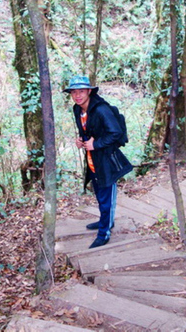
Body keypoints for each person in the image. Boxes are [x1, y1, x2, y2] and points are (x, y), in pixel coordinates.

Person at [64, 75, 133, 249]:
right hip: (93, 159)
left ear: (89, 91)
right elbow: (88, 130)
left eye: (81, 91)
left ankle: (104, 232)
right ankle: (105, 221)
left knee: (106, 196)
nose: (77, 95)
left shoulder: (101, 109)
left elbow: (115, 133)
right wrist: (82, 141)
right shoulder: (77, 109)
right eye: (74, 92)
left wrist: (96, 144)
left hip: (107, 160)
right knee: (100, 194)